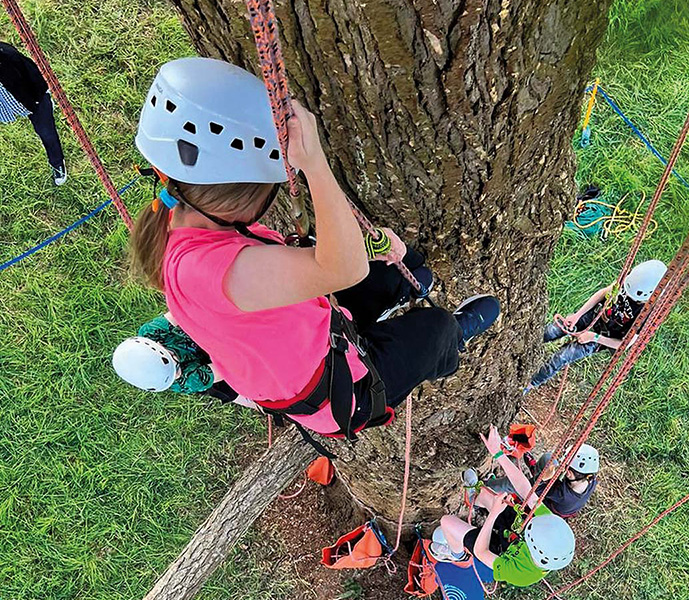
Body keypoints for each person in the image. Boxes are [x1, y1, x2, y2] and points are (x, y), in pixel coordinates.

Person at [129, 57, 501, 440]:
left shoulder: (189, 225)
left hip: (316, 327)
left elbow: (325, 266)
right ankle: (458, 332)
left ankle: (394, 296)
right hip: (338, 394)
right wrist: (313, 162)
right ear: (243, 201)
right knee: (435, 331)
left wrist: (366, 251)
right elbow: (344, 270)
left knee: (402, 269)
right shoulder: (217, 271)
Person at [430, 426, 575, 588]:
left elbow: (481, 551)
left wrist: (492, 516)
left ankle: (456, 554)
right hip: (514, 531)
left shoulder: (521, 573)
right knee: (488, 497)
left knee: (447, 522)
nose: (534, 520)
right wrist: (497, 453)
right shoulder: (546, 523)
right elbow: (524, 488)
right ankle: (474, 498)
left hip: (496, 551)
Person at [525, 259, 667, 389]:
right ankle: (521, 348)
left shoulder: (645, 314)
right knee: (551, 331)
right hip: (594, 315)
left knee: (563, 357)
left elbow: (625, 345)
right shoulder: (630, 280)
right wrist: (577, 315)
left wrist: (594, 338)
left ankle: (530, 384)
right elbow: (603, 293)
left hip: (603, 337)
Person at [112, 312, 258, 408]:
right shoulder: (187, 381)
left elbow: (179, 312)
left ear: (158, 345)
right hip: (210, 371)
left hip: (203, 339)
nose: (178, 373)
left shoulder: (150, 333)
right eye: (174, 373)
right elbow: (230, 368)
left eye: (173, 359)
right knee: (235, 392)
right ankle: (263, 407)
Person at [466, 443, 600, 518]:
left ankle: (476, 495)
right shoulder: (589, 479)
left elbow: (527, 488)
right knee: (548, 458)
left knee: (512, 483)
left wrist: (544, 479)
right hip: (556, 495)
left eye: (567, 468)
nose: (565, 469)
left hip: (544, 506)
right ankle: (536, 471)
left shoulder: (563, 495)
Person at [0, 42, 67, 185]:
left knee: (46, 133)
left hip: (33, 101)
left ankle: (57, 163)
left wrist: (42, 94)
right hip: (7, 104)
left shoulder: (7, 56)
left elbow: (32, 71)